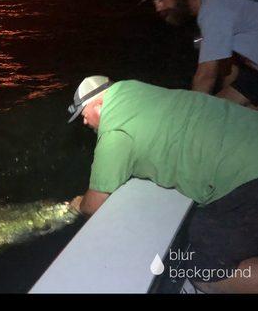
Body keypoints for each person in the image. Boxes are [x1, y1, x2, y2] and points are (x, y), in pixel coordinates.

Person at [68, 75, 258, 293]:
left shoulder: (115, 132)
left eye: (83, 115)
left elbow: (93, 205)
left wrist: (78, 205)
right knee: (205, 226)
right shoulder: (135, 89)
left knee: (203, 267)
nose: (84, 122)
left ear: (99, 105)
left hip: (248, 175)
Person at [142, 0, 258, 109]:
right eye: (154, 2)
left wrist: (192, 115)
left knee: (210, 115)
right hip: (253, 74)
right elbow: (227, 66)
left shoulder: (213, 11)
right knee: (223, 112)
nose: (158, 8)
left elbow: (206, 76)